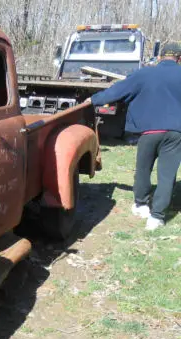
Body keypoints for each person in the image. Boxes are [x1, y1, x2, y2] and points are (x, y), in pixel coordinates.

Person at [85, 42, 181, 230]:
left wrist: (93, 100)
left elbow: (117, 91)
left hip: (148, 131)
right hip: (176, 132)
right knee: (167, 174)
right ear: (179, 58)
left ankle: (141, 205)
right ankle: (156, 218)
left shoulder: (144, 74)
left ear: (160, 57)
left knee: (143, 169)